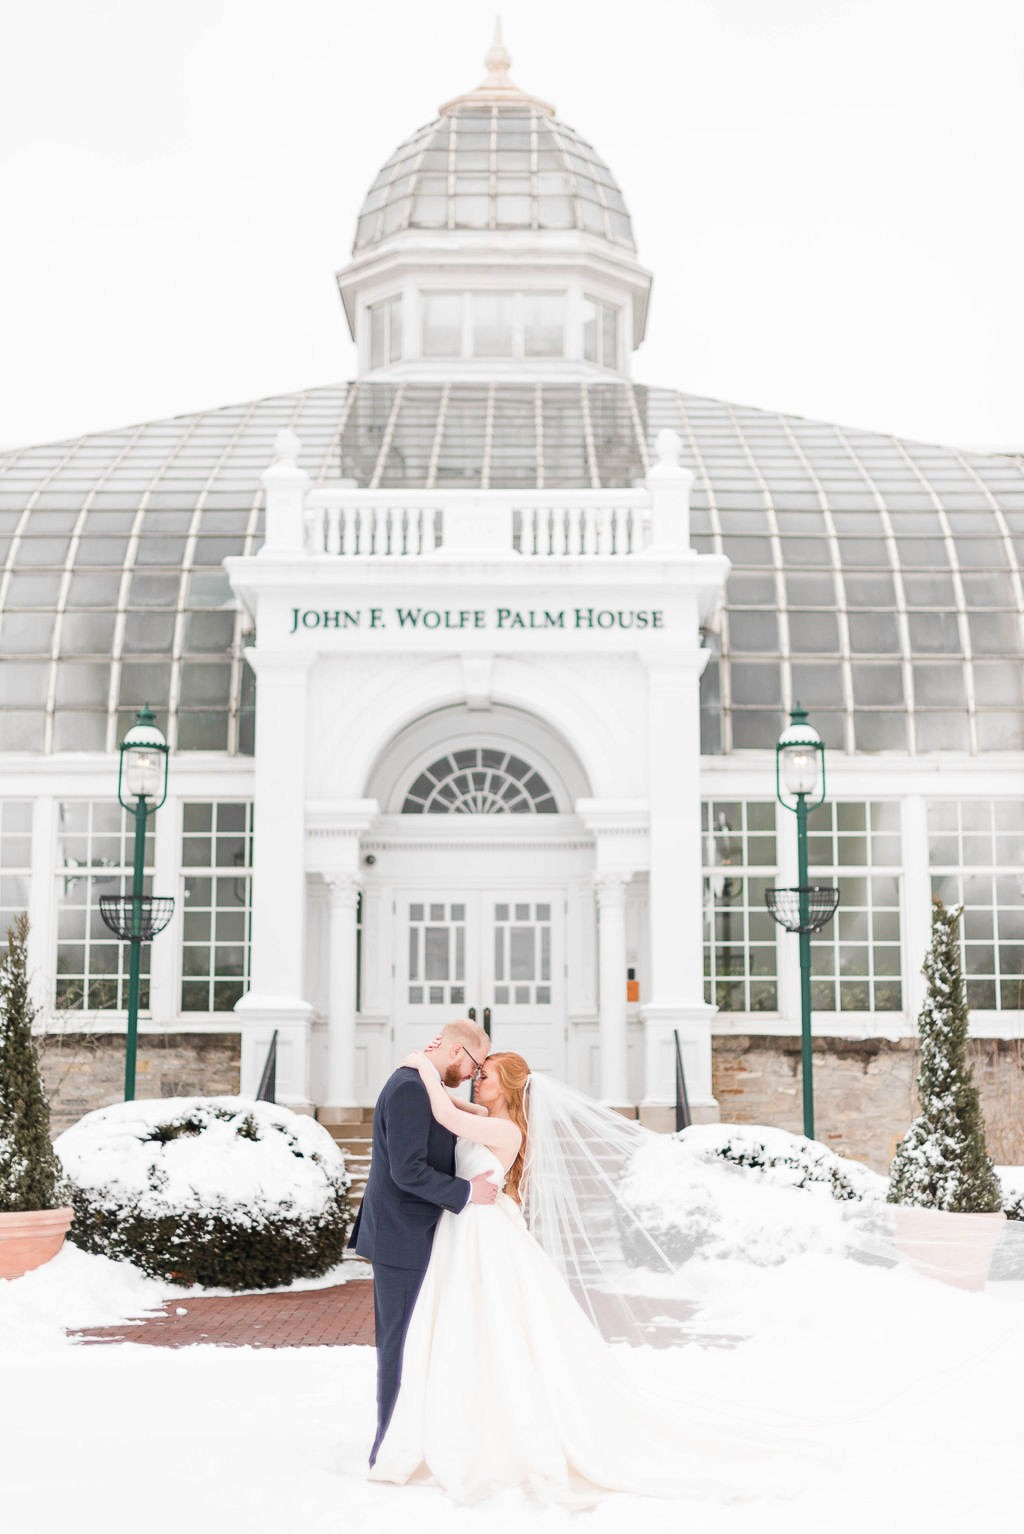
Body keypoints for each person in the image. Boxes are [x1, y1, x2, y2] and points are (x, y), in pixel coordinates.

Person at [366, 1048, 784, 1506]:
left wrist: (421, 1063)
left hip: (484, 1234)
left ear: (506, 1088)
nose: (475, 1081)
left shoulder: (503, 1129)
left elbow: (444, 1110)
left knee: (496, 1326)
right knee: (462, 1328)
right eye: (476, 1073)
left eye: (484, 1076)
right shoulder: (485, 1115)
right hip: (462, 1231)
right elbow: (449, 1111)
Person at [348, 1019, 498, 1467]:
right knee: (399, 1345)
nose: (473, 1076)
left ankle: (413, 1437)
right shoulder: (411, 1087)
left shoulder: (421, 1081)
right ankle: (388, 1446)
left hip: (418, 1235)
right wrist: (467, 1192)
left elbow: (455, 1120)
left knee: (419, 1343)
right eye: (473, 1065)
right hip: (401, 1237)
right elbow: (407, 1171)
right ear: (456, 1053)